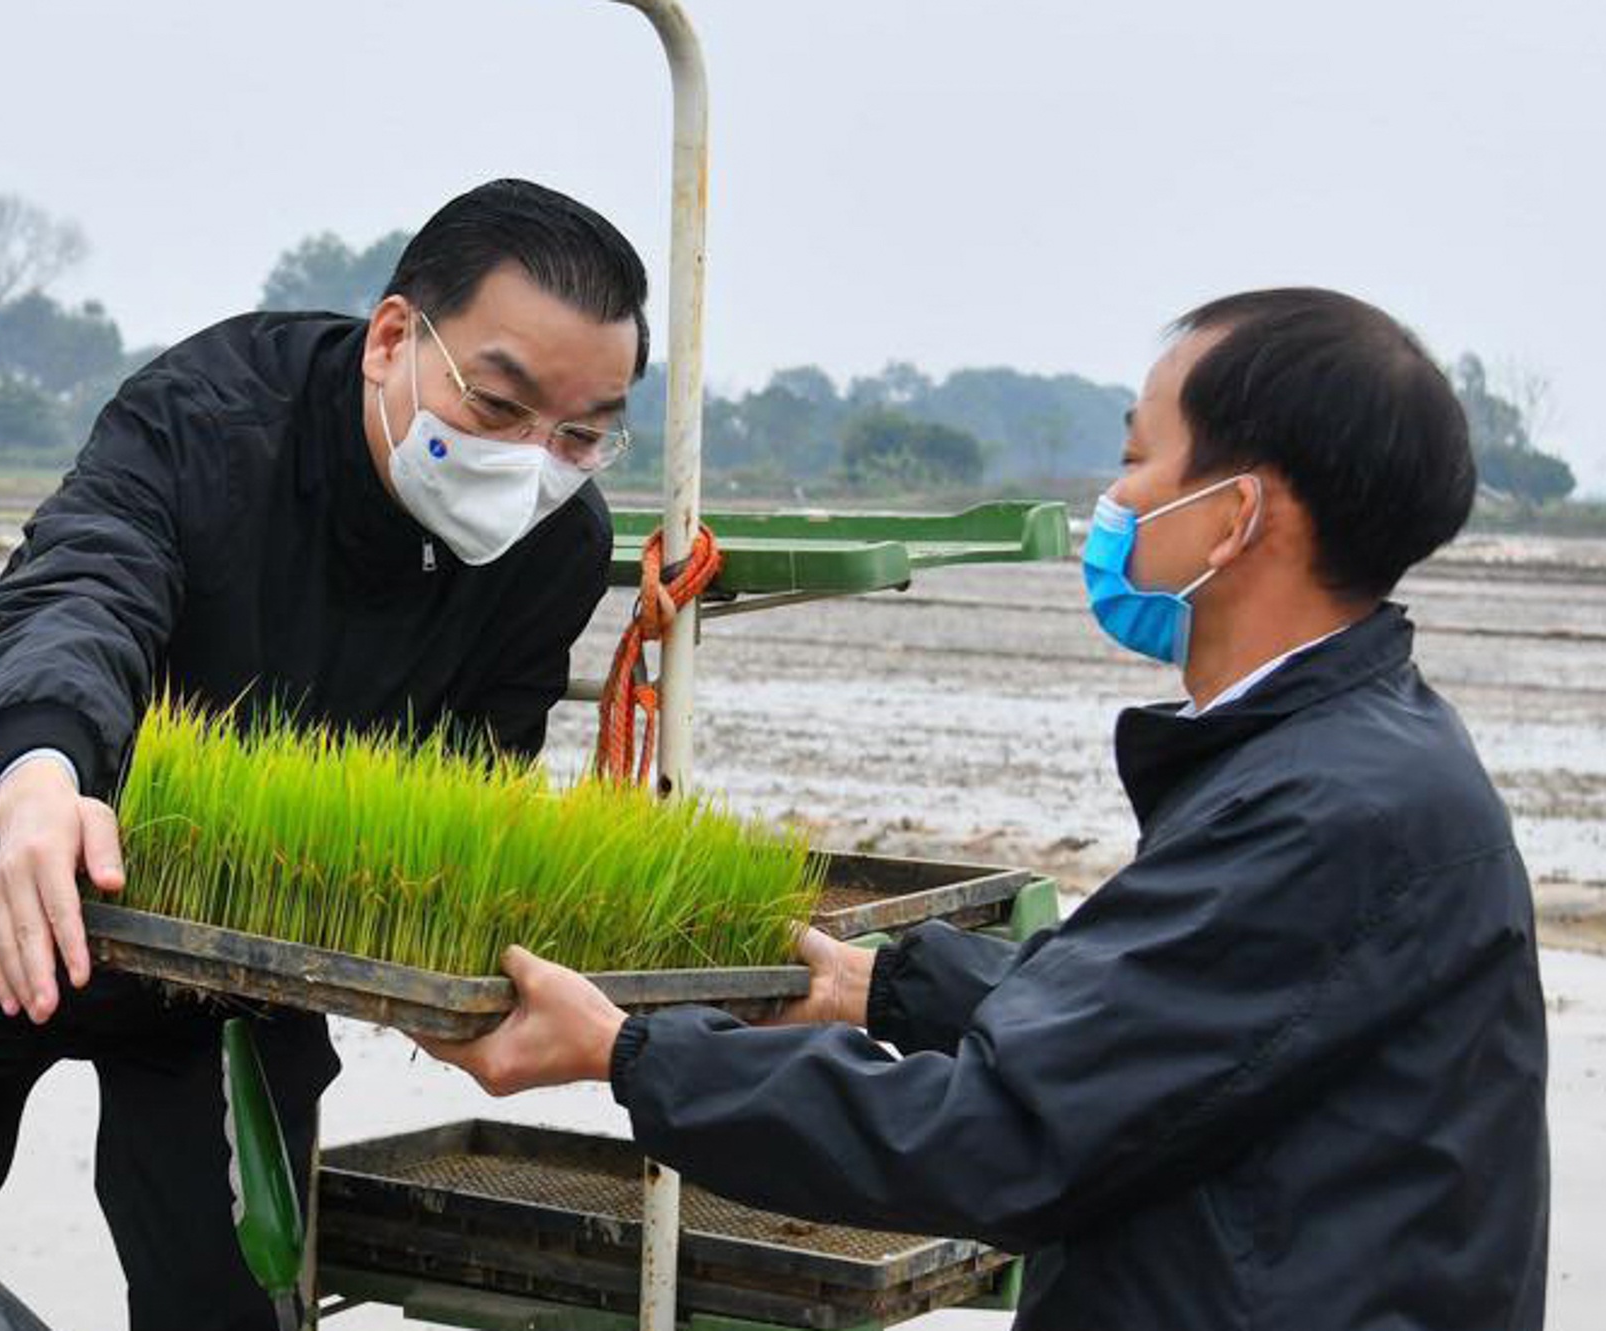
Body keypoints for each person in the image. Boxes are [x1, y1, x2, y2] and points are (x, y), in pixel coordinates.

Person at [421, 288, 1549, 1331]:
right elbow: (1168, 1023)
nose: (1113, 503)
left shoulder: (1331, 807)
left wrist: (631, 1053)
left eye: (1136, 459)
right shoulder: (1343, 758)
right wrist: (889, 983)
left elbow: (1002, 1134)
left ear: (1234, 516)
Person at [0, 178, 646, 1331]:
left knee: (235, 1300)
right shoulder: (210, 419)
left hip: (234, 983)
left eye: (584, 432)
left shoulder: (554, 543)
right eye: (500, 404)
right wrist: (41, 779)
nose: (533, 459)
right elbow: (80, 590)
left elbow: (470, 776)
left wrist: (438, 972)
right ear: (394, 337)